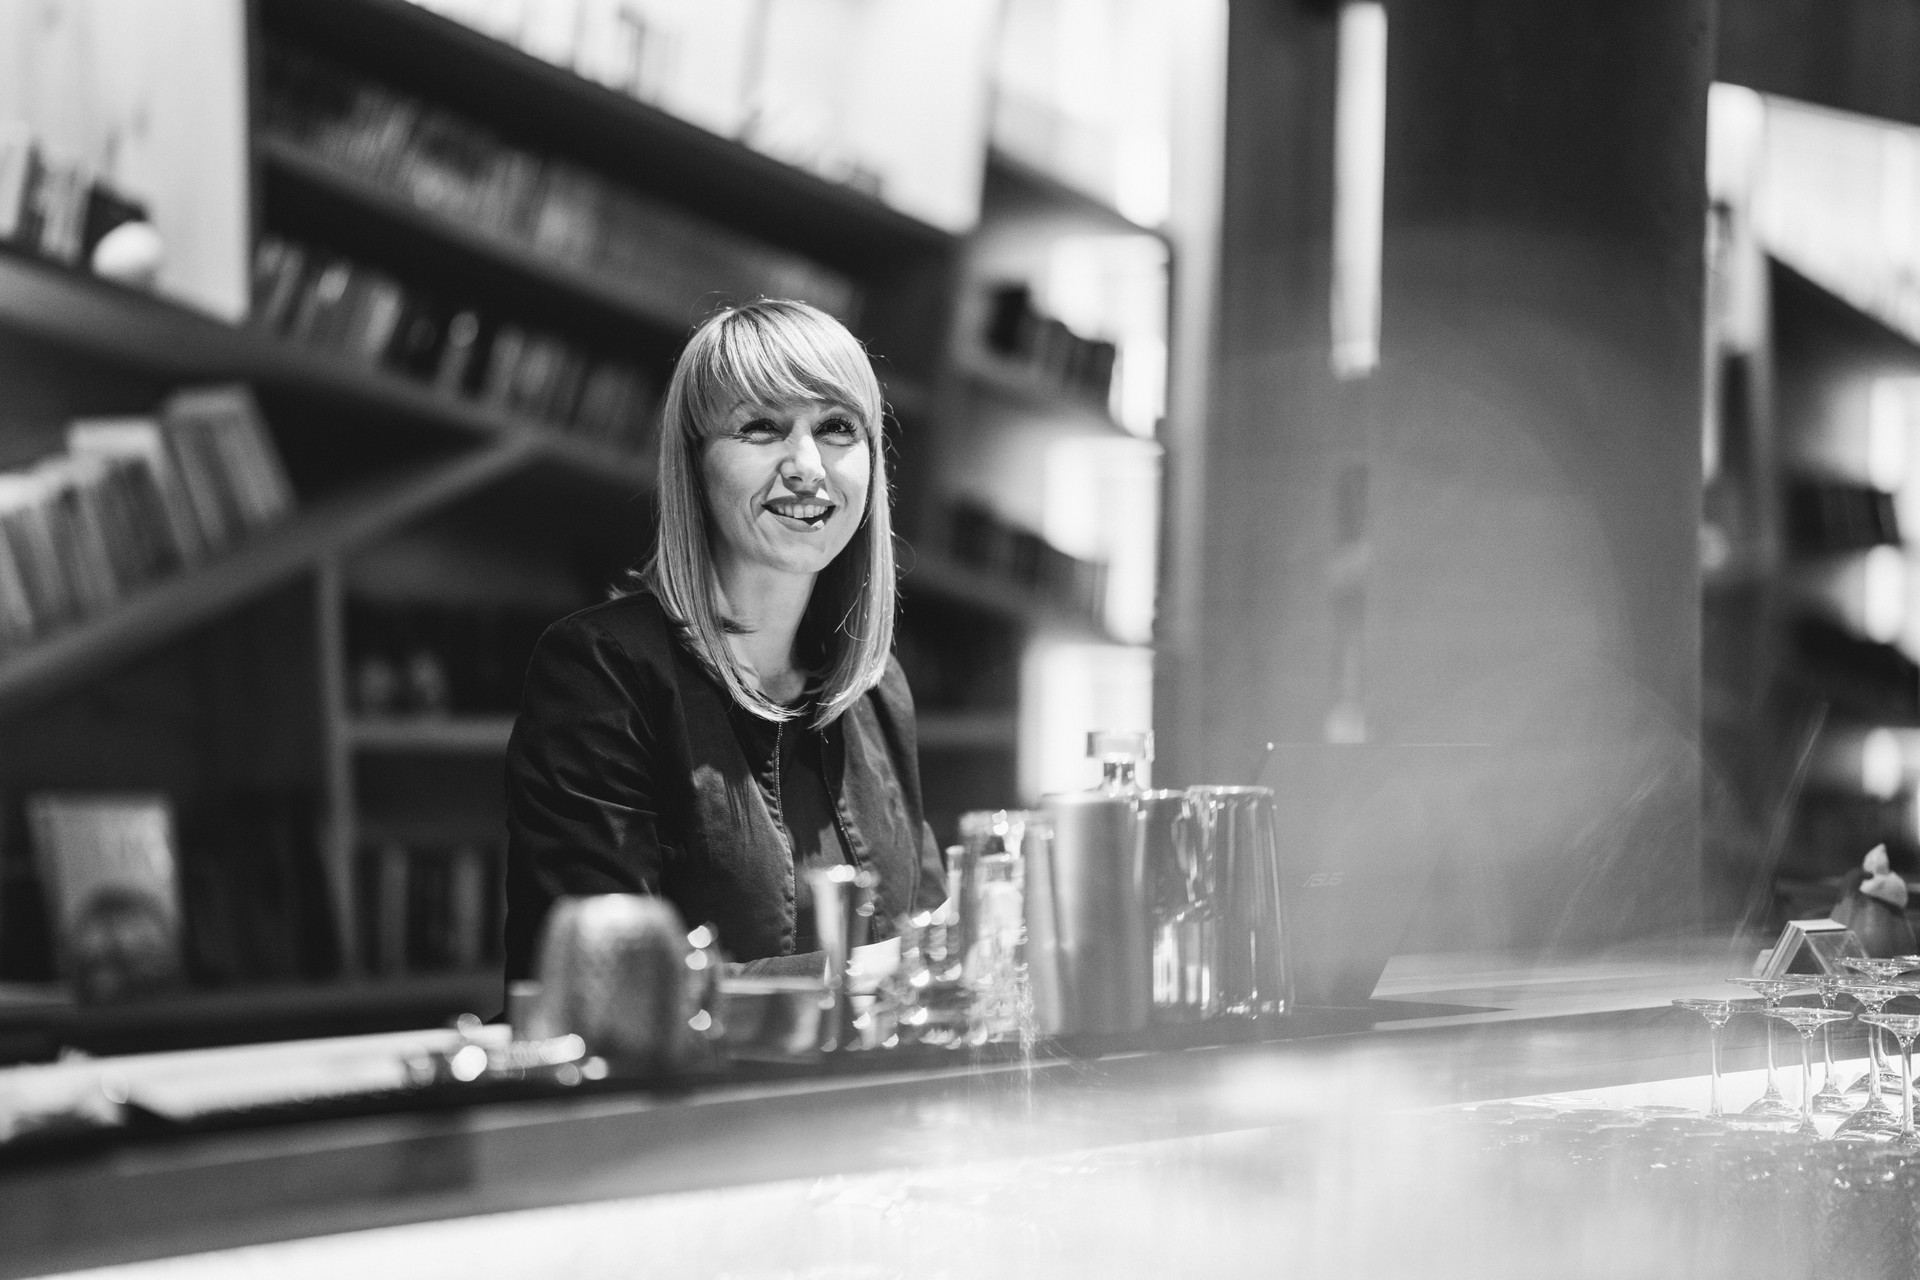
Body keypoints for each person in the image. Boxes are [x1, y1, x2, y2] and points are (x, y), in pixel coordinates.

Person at [503, 300, 947, 981]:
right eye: (761, 429)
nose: (807, 466)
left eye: (836, 428)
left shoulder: (879, 687)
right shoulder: (600, 672)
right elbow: (606, 988)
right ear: (695, 466)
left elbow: (934, 950)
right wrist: (879, 973)